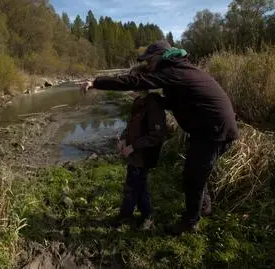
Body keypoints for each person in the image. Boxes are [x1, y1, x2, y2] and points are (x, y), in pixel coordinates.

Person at [80, 40, 238, 235]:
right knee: (196, 173)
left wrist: (97, 82)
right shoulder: (179, 70)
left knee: (193, 177)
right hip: (209, 130)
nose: (148, 66)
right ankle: (203, 208)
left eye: (149, 61)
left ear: (160, 57)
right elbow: (174, 102)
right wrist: (152, 100)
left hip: (214, 132)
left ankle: (190, 222)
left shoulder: (173, 71)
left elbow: (135, 81)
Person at [114, 66, 168, 230]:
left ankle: (132, 216)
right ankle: (142, 215)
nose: (131, 83)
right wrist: (123, 140)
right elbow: (129, 126)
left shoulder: (154, 104)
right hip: (133, 154)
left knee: (133, 186)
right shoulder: (137, 101)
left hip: (144, 156)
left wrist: (133, 147)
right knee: (137, 185)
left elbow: (157, 135)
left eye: (134, 79)